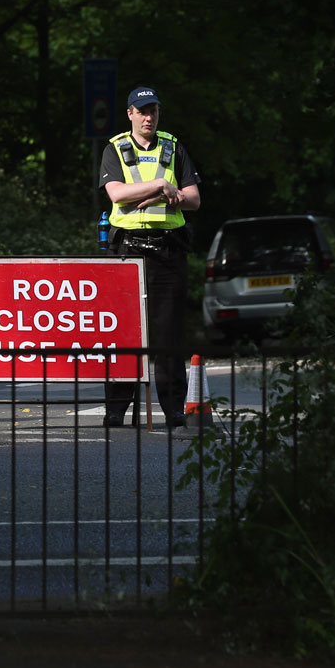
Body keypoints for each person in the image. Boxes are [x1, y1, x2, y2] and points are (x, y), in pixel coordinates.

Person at [99, 87, 201, 429]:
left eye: (153, 111)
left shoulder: (173, 147)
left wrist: (160, 195)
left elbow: (193, 200)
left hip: (167, 251)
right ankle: (116, 408)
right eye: (142, 111)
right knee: (125, 334)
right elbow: (117, 194)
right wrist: (161, 186)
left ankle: (174, 408)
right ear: (130, 113)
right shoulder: (115, 148)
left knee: (168, 335)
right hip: (127, 252)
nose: (148, 117)